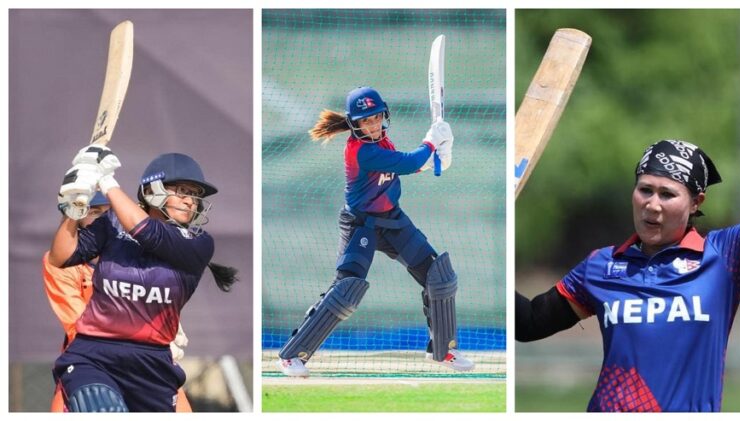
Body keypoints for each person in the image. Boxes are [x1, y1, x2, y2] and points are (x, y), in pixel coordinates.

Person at [516, 139, 740, 412]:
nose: (652, 205)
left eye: (667, 194)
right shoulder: (601, 265)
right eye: (645, 190)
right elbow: (530, 322)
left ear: (695, 202)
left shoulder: (725, 255)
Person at [275, 86, 474, 377]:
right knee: (346, 290)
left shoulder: (382, 143)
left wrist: (437, 159)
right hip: (361, 225)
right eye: (365, 121)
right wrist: (431, 142)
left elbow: (402, 168)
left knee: (439, 277)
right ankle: (292, 356)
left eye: (376, 118)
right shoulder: (362, 151)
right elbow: (408, 162)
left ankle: (443, 349)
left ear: (384, 116)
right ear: (354, 124)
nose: (372, 125)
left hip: (393, 220)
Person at [49, 148, 237, 412]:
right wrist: (73, 207)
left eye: (195, 195)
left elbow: (149, 233)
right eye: (182, 191)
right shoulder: (112, 223)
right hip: (94, 354)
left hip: (153, 363)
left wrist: (106, 181)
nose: (190, 201)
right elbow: (60, 257)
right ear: (152, 191)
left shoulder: (198, 243)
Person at [42, 192, 193, 412]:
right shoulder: (61, 263)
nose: (106, 218)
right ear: (78, 218)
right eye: (94, 212)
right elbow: (78, 325)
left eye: (111, 211)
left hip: (149, 365)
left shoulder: (141, 253)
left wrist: (166, 325)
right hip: (92, 364)